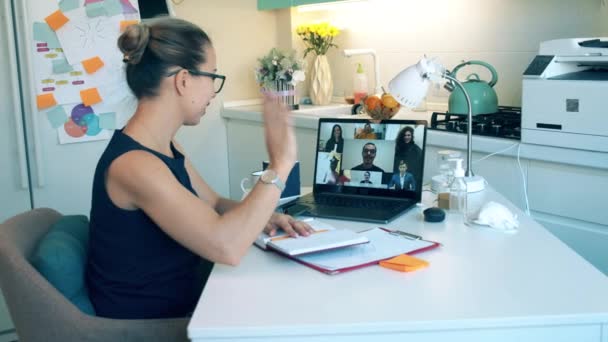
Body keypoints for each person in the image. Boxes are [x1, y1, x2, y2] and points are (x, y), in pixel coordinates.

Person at [85, 18, 312, 320]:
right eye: (212, 76)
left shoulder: (165, 145)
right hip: (155, 324)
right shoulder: (134, 166)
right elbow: (226, 246)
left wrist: (264, 217)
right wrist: (280, 164)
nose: (213, 91)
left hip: (189, 299)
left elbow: (214, 204)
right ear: (183, 80)